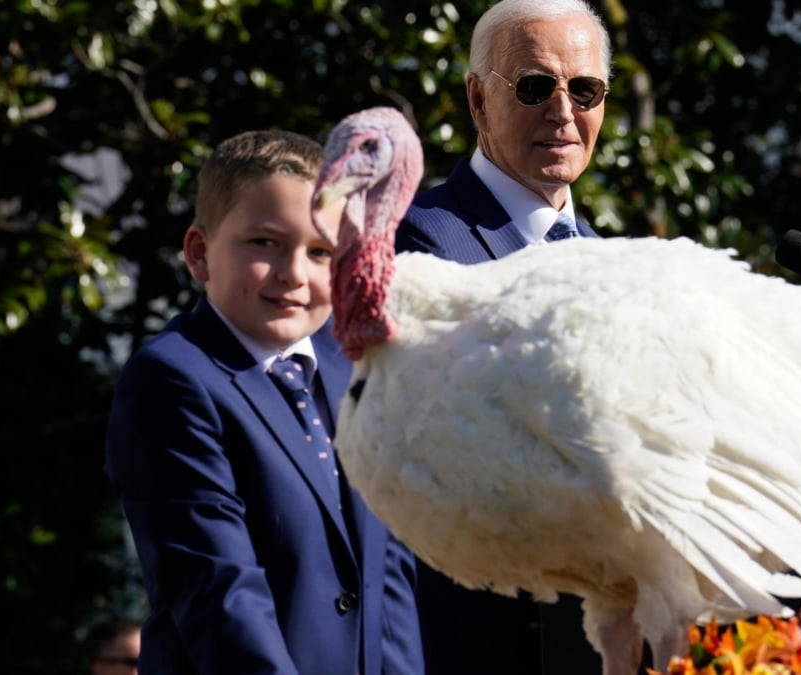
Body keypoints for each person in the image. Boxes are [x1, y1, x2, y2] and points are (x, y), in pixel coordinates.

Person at [104, 129, 424, 675]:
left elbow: (388, 576)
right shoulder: (175, 379)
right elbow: (219, 590)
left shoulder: (356, 367)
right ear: (200, 254)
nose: (294, 274)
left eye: (320, 251)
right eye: (265, 243)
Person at [394, 1, 630, 673]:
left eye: (583, 89)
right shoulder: (421, 244)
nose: (562, 110)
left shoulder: (616, 266)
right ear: (477, 97)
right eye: (534, 86)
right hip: (477, 644)